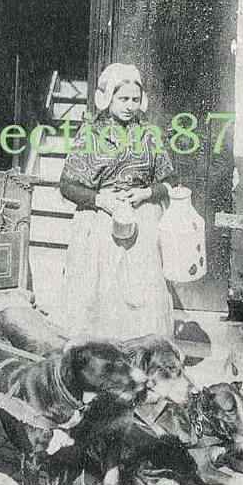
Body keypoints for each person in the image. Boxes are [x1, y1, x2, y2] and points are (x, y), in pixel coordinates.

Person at [56, 63, 176, 342]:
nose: (130, 106)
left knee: (142, 290)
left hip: (142, 220)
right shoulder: (90, 134)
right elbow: (66, 185)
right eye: (123, 99)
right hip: (101, 219)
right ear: (108, 98)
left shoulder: (149, 136)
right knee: (101, 288)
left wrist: (146, 194)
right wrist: (102, 200)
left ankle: (141, 350)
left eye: (135, 99)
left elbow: (171, 182)